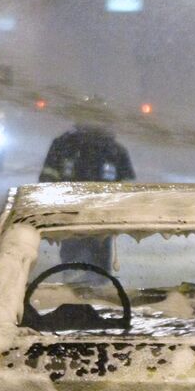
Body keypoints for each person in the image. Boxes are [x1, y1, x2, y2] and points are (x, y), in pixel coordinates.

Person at [39, 96, 136, 271]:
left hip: (101, 224)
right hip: (72, 220)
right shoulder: (64, 145)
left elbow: (128, 190)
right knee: (73, 270)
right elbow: (47, 181)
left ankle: (91, 293)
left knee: (97, 274)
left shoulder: (114, 151)